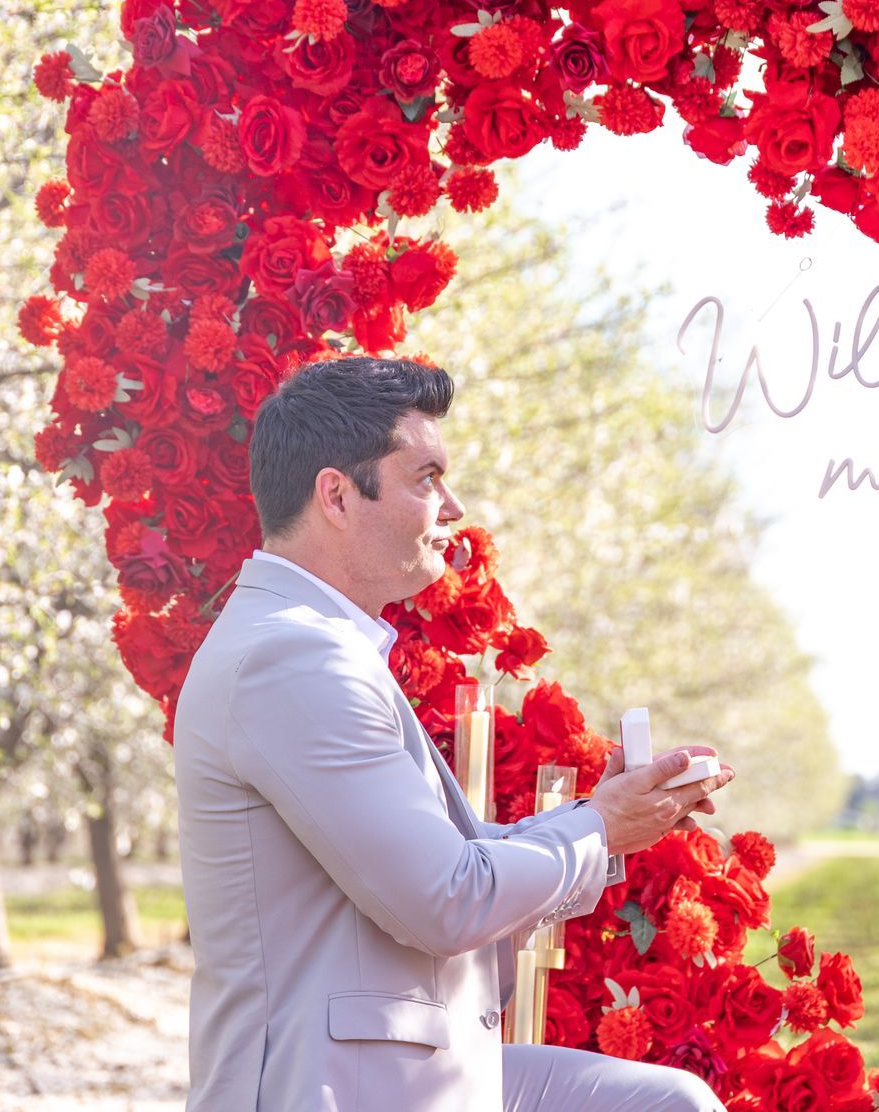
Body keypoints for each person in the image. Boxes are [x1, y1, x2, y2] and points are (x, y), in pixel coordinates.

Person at [172, 357, 730, 1112]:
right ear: (336, 495)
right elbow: (444, 901)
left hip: (419, 1071)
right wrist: (599, 828)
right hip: (338, 1091)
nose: (454, 505)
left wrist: (613, 823)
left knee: (670, 1103)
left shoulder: (306, 644)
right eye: (426, 477)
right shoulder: (292, 657)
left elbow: (440, 864)